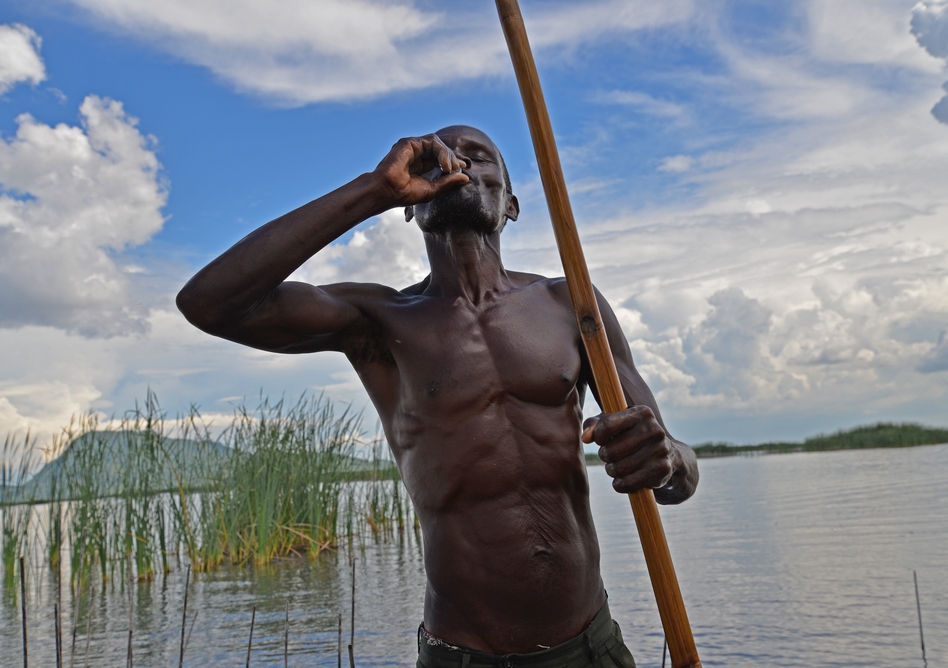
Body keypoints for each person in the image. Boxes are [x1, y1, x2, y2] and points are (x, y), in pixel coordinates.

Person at [176, 125, 698, 668]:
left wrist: (665, 459)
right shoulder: (377, 322)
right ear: (410, 204)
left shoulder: (571, 303)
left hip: (590, 647)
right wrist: (373, 190)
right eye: (436, 158)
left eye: (478, 157)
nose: (456, 163)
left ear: (511, 203)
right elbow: (210, 304)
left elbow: (676, 476)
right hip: (463, 657)